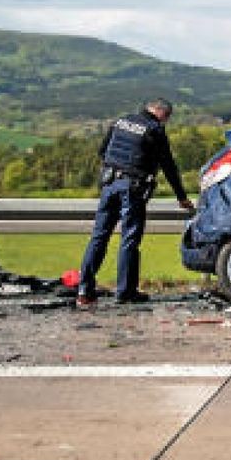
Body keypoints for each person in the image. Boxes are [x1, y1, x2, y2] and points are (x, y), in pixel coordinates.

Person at [77, 98, 194, 306]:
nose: (165, 122)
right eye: (166, 117)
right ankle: (125, 292)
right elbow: (168, 165)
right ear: (160, 112)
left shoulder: (121, 121)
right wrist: (181, 196)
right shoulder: (154, 130)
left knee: (99, 237)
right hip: (132, 188)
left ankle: (85, 290)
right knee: (129, 239)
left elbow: (103, 152)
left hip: (109, 183)